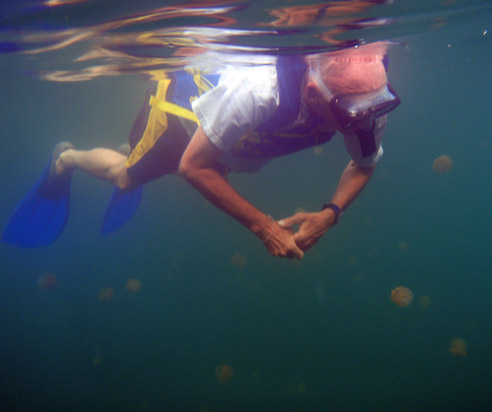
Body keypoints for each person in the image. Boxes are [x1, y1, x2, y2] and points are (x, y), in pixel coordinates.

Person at [3, 42, 400, 259]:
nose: (363, 122)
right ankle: (67, 158)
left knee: (234, 165)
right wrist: (264, 227)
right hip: (182, 116)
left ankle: (140, 152)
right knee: (125, 178)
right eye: (349, 114)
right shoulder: (259, 91)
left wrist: (332, 213)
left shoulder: (365, 102)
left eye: (373, 108)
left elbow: (363, 164)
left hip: (243, 144)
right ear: (313, 93)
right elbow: (194, 168)